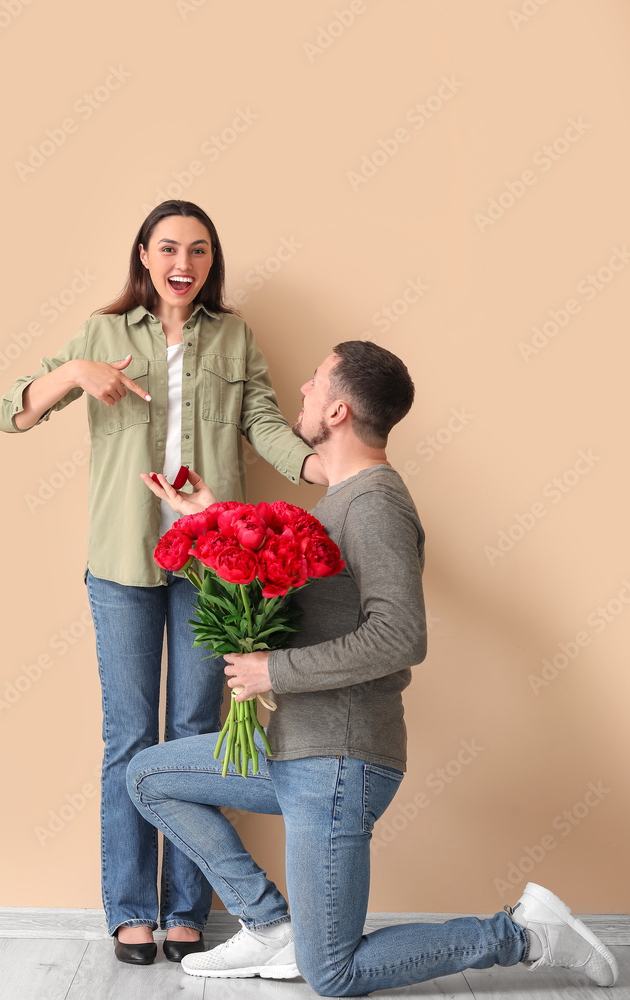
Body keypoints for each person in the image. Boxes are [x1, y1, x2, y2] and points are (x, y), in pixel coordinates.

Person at [127, 340, 619, 993]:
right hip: (295, 751)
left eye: (312, 383)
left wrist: (273, 673)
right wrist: (211, 522)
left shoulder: (375, 504)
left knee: (333, 973)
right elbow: (319, 604)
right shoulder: (340, 502)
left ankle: (522, 934)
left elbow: (398, 636)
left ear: (336, 411)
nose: (300, 390)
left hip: (337, 762)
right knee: (150, 776)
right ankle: (270, 924)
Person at [0, 200, 325, 966]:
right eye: (170, 248)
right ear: (143, 255)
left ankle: (187, 910)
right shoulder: (103, 334)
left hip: (210, 558)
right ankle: (131, 909)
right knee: (131, 736)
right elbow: (9, 415)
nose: (185, 262)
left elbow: (266, 423)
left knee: (196, 736)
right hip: (121, 557)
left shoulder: (234, 336)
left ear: (211, 262)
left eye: (200, 250)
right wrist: (74, 373)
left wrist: (315, 465)